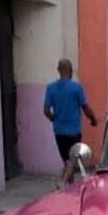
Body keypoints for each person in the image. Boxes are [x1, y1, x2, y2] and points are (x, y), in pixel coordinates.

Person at [44, 59, 98, 187]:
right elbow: (85, 107)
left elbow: (46, 111)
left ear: (58, 70)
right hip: (74, 131)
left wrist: (54, 119)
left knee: (67, 160)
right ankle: (62, 183)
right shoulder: (77, 88)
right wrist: (93, 119)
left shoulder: (51, 88)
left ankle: (70, 186)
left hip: (59, 131)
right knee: (72, 160)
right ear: (71, 71)